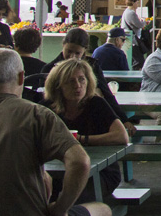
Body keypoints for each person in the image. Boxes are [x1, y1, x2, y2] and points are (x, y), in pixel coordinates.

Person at [0, 49, 111, 216]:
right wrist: (60, 210)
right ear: (22, 77)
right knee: (103, 210)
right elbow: (80, 162)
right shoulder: (37, 115)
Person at [42, 58, 127, 202]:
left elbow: (122, 136)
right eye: (70, 81)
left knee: (75, 196)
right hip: (59, 171)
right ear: (58, 86)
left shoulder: (96, 103)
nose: (78, 86)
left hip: (101, 172)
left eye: (82, 80)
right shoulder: (47, 107)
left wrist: (82, 139)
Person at [43, 28, 131, 135]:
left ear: (85, 50)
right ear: (63, 46)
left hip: (88, 120)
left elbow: (107, 93)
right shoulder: (48, 69)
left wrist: (124, 119)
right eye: (69, 51)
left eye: (77, 53)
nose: (72, 57)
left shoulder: (93, 66)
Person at [121, 0, 149, 69]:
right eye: (137, 3)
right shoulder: (131, 13)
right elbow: (139, 24)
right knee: (139, 60)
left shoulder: (126, 11)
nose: (138, 5)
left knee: (136, 59)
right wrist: (145, 22)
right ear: (133, 3)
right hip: (133, 39)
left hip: (130, 38)